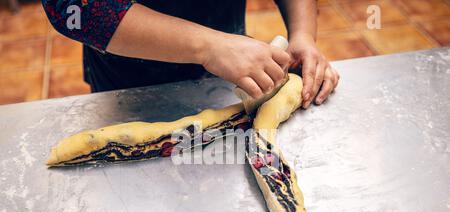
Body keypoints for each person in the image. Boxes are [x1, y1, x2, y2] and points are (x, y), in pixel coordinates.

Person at [42, 0, 339, 108]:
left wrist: (302, 33)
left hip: (229, 84)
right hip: (131, 87)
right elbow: (75, 9)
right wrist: (210, 47)